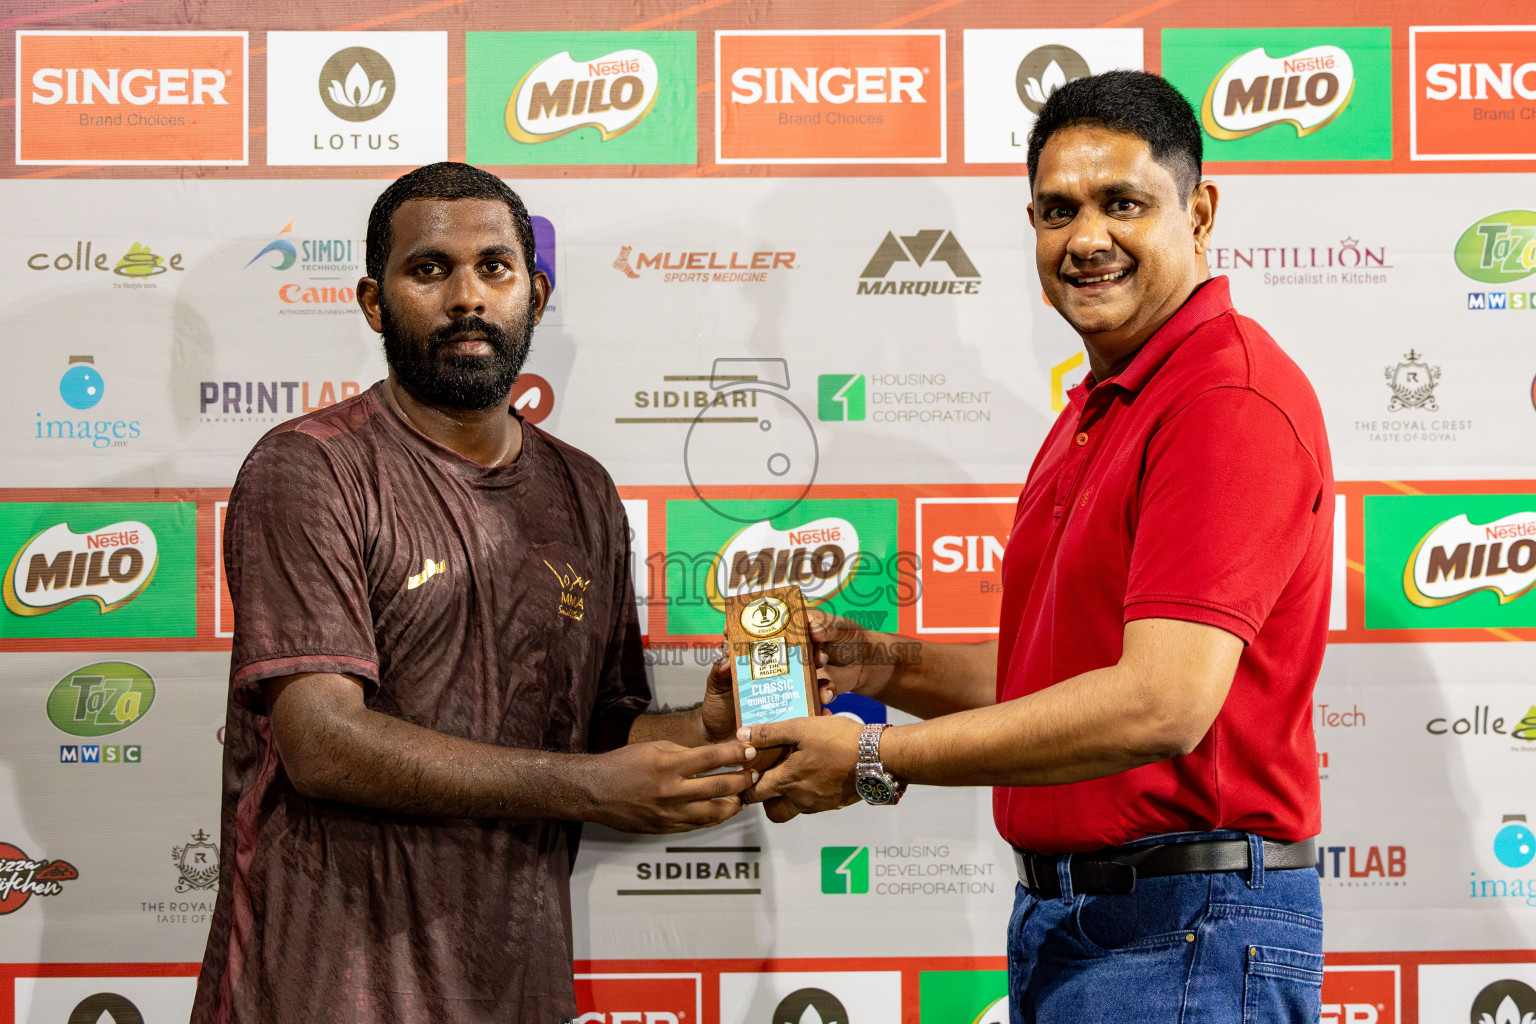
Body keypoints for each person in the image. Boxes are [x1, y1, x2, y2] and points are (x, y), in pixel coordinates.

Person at [741, 71, 1334, 1022]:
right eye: (1058, 211)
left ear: (1201, 211)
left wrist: (872, 757)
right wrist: (883, 663)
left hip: (1185, 928)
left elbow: (1159, 704)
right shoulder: (1102, 409)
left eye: (1122, 204)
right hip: (1095, 924)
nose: (1086, 238)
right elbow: (1058, 685)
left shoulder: (1225, 401)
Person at [191, 162, 754, 1024]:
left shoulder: (585, 491)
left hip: (513, 990)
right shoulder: (310, 467)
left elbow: (603, 729)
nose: (467, 297)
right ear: (375, 303)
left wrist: (704, 730)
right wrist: (591, 788)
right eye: (430, 270)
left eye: (494, 268)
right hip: (322, 992)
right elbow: (321, 739)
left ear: (535, 291)